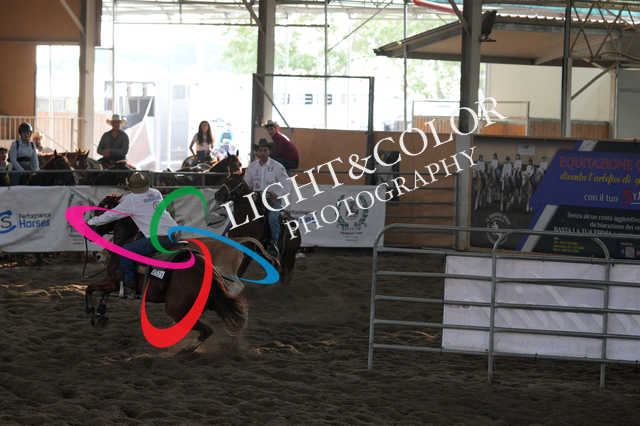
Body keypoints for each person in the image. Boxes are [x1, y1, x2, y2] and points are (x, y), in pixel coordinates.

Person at [88, 172, 177, 293]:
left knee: (126, 251)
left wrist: (92, 222)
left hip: (159, 239)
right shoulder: (156, 193)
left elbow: (111, 215)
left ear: (130, 186)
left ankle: (129, 284)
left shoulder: (131, 200)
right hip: (174, 234)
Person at [244, 138, 291, 257]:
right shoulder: (252, 167)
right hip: (256, 198)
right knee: (242, 214)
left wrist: (277, 195)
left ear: (269, 152)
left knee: (273, 217)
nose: (262, 153)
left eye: (265, 150)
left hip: (272, 199)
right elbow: (246, 184)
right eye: (260, 150)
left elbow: (287, 185)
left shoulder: (277, 166)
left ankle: (274, 244)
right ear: (257, 152)